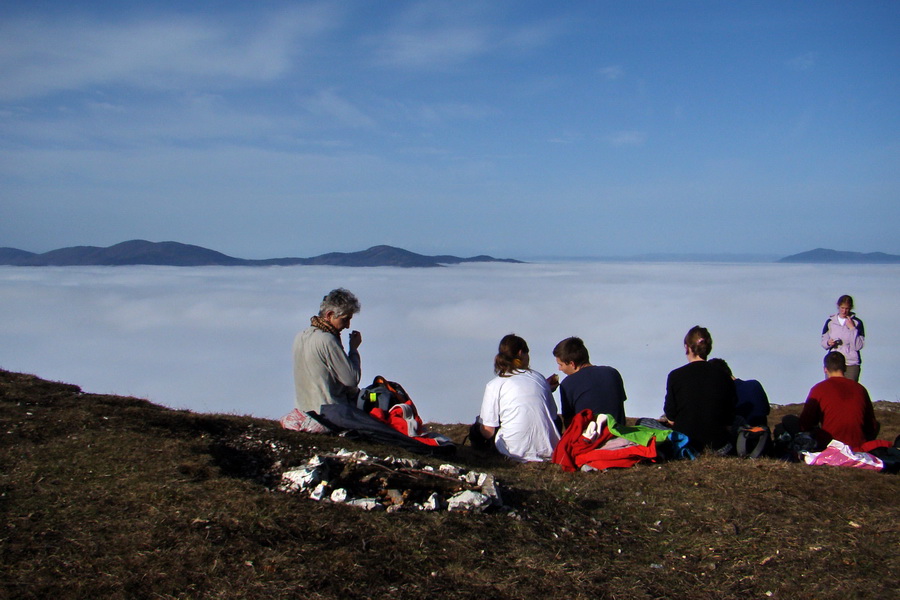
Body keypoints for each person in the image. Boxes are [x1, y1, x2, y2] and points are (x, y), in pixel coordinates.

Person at [476, 334, 561, 462]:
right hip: (549, 449)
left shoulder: (494, 384)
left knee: (482, 423)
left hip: (513, 451)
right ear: (521, 353)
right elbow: (553, 415)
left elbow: (488, 431)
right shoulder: (539, 378)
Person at [662, 326, 737, 453]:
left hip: (686, 443)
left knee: (644, 423)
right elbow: (730, 417)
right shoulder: (724, 376)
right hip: (719, 445)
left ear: (687, 347)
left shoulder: (675, 375)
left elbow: (671, 416)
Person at [292, 288, 362, 414]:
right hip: (329, 412)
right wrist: (353, 350)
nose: (347, 326)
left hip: (304, 411)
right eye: (345, 319)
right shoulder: (327, 340)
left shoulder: (300, 336)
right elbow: (351, 379)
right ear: (329, 315)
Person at [799, 351, 879, 451]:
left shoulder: (819, 389)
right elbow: (872, 425)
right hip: (857, 446)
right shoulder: (860, 389)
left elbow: (805, 423)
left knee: (789, 421)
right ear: (844, 368)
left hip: (828, 445)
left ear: (825, 369)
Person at [552, 336, 627, 427]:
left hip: (590, 439)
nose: (559, 369)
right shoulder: (612, 373)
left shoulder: (567, 384)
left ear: (572, 364)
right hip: (619, 434)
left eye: (561, 365)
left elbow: (569, 423)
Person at [708, 358, 770, 428]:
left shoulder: (724, 396)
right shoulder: (754, 385)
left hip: (740, 436)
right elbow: (766, 410)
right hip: (762, 435)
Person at [821, 294, 865, 381]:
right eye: (842, 308)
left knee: (850, 390)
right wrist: (828, 343)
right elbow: (823, 342)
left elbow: (858, 346)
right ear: (838, 307)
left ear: (850, 308)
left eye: (847, 308)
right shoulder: (830, 322)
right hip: (834, 362)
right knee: (832, 390)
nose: (844, 311)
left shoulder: (857, 323)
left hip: (851, 362)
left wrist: (852, 328)